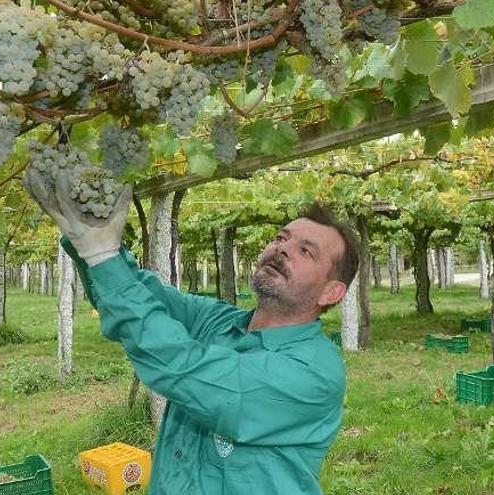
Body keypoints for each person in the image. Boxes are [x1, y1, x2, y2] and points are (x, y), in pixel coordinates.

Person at [25, 171, 359, 494]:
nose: (282, 248)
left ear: (331, 293)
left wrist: (101, 254)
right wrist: (90, 240)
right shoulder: (218, 323)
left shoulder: (314, 373)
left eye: (306, 251)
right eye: (281, 238)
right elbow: (135, 293)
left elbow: (186, 369)